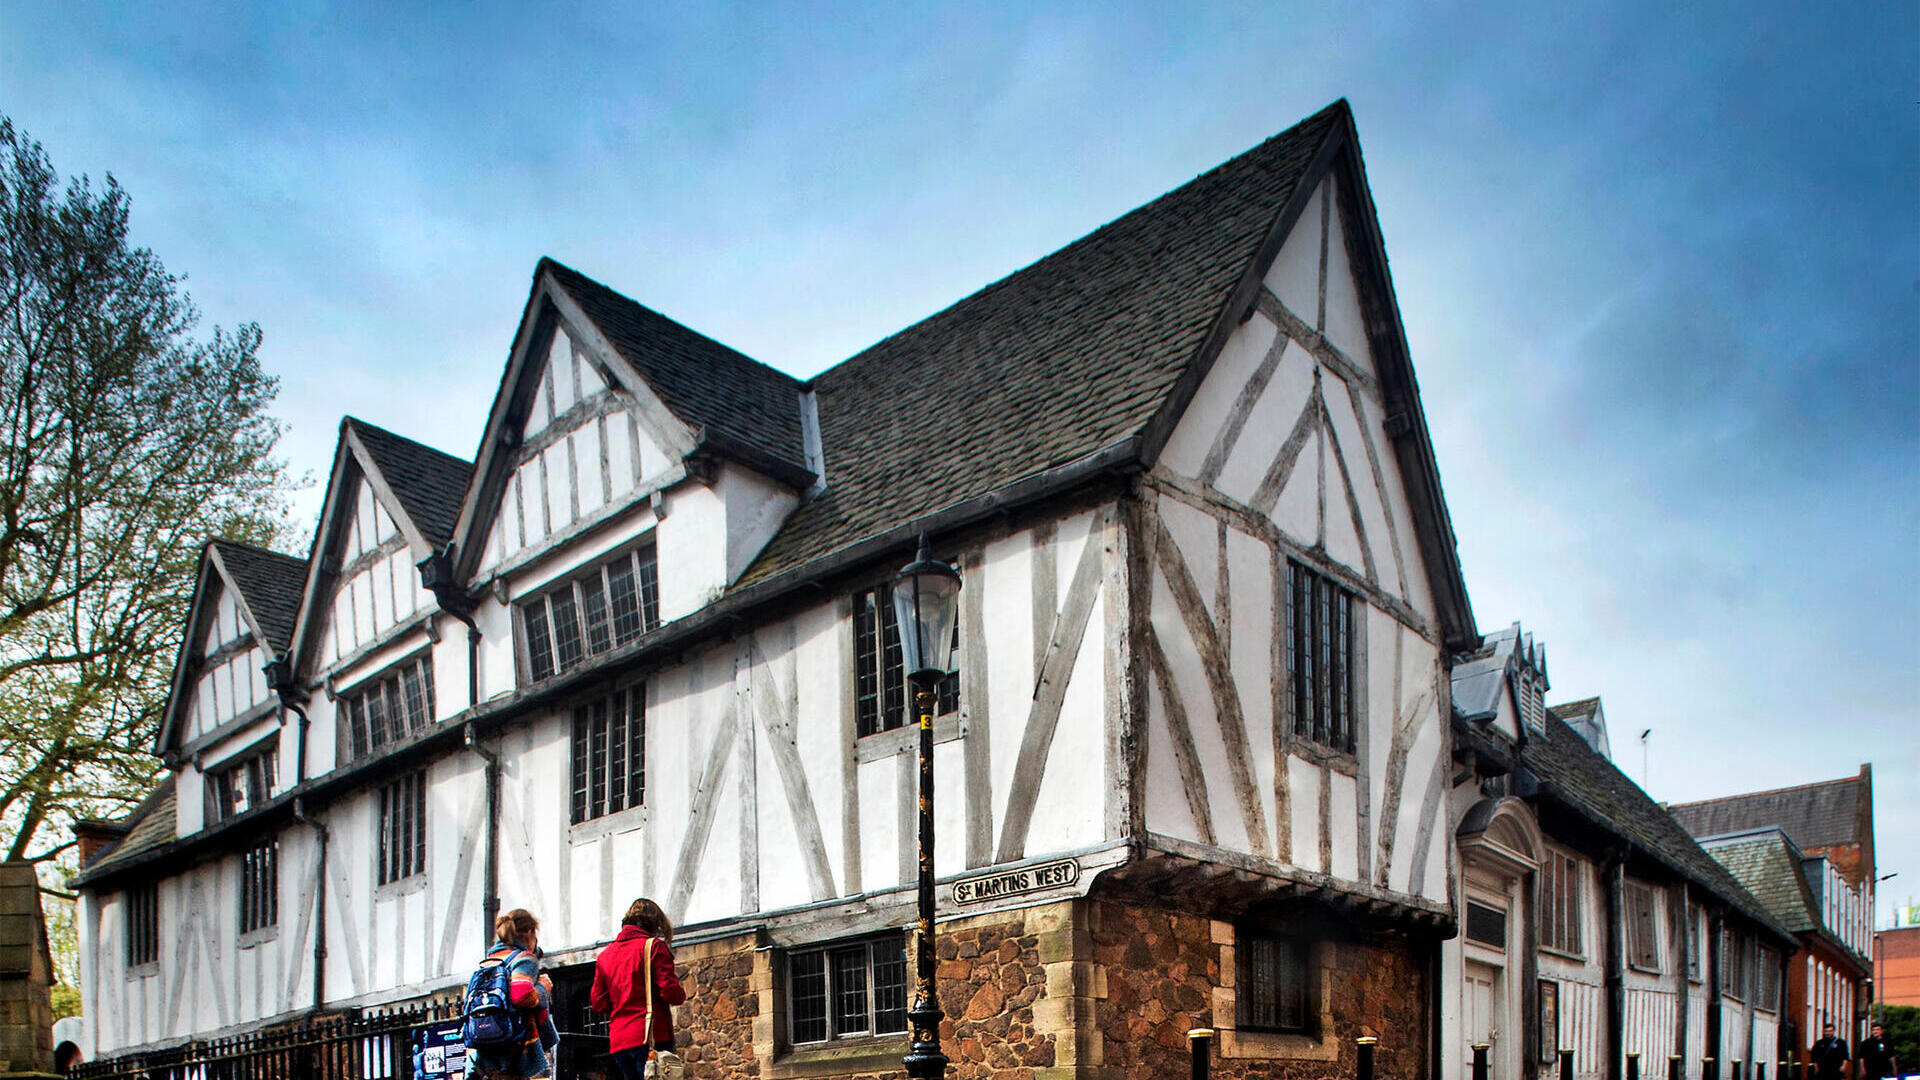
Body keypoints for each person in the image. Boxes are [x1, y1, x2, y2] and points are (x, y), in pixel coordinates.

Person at [591, 898, 687, 1080]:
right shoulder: (653, 947)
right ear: (652, 924)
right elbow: (670, 991)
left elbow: (598, 1003)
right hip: (650, 1036)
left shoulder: (605, 956)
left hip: (620, 1041)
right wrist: (680, 993)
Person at [469, 909, 561, 1079]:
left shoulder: (488, 963)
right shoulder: (523, 959)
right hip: (517, 1051)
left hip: (488, 1053)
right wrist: (542, 987)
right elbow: (521, 995)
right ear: (529, 933)